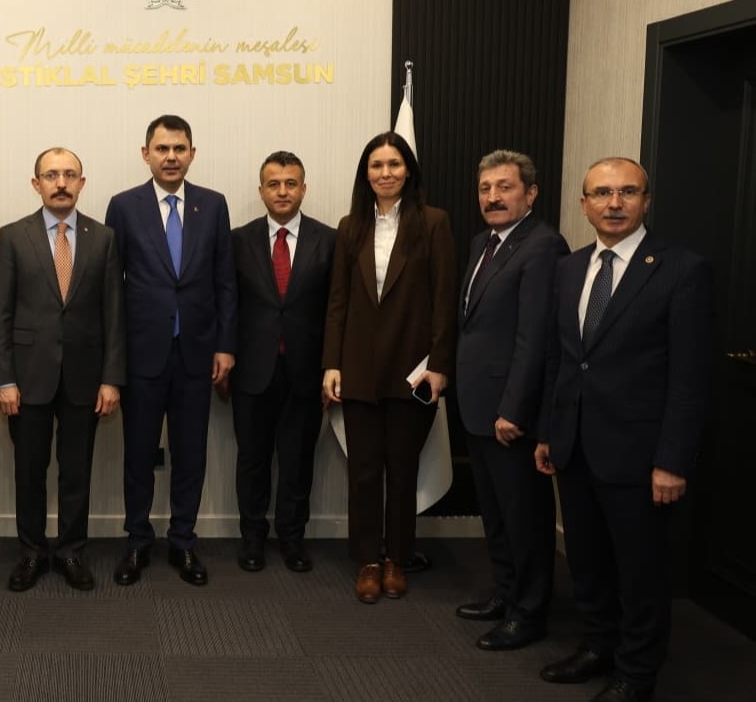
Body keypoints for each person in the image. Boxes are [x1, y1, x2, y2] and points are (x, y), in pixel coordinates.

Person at [535, 158, 711, 702]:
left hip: (640, 455)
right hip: (575, 445)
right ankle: (598, 646)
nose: (614, 203)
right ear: (584, 204)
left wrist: (672, 461)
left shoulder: (681, 270)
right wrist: (548, 432)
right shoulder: (570, 268)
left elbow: (690, 378)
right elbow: (562, 359)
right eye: (602, 193)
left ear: (646, 201)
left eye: (627, 192)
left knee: (641, 572)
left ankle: (636, 673)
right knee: (587, 561)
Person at [321, 131, 456, 603]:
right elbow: (337, 302)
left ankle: (397, 557)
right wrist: (331, 363)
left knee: (401, 469)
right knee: (362, 472)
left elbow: (444, 301)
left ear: (409, 171)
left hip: (413, 369)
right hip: (358, 368)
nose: (385, 173)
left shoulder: (434, 223)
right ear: (366, 174)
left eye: (394, 164)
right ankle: (368, 561)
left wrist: (439, 364)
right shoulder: (350, 227)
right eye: (376, 165)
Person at [104, 113, 236, 587]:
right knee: (139, 454)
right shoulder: (124, 206)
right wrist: (114, 359)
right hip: (142, 355)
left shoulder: (213, 205)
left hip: (197, 354)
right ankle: (137, 540)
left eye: (180, 148)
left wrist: (225, 346)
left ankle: (183, 540)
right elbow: (112, 288)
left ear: (192, 154)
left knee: (190, 453)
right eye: (162, 149)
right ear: (146, 154)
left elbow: (225, 281)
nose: (171, 157)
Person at [0, 147, 126, 592]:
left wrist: (111, 378)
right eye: (51, 175)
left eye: (70, 175)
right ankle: (32, 552)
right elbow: (1, 314)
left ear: (82, 183)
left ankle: (71, 550)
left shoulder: (103, 238)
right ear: (37, 184)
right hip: (27, 378)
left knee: (76, 471)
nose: (61, 183)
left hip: (85, 378)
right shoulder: (13, 236)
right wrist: (4, 379)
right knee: (29, 471)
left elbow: (114, 314)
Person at [452, 150, 568, 650]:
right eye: (485, 189)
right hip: (478, 404)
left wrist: (514, 409)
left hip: (509, 411)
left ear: (531, 193)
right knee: (496, 513)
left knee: (525, 519)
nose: (493, 197)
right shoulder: (483, 243)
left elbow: (535, 338)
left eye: (505, 187)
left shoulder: (543, 247)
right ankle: (505, 594)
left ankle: (530, 612)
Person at [229, 151, 335, 573]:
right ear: (261, 191)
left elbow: (336, 310)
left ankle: (292, 538)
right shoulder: (238, 240)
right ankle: (252, 538)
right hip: (252, 370)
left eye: (291, 183)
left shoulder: (329, 240)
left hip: (306, 371)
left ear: (304, 189)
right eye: (274, 184)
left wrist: (332, 366)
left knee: (297, 460)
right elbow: (228, 304)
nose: (283, 191)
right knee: (252, 459)